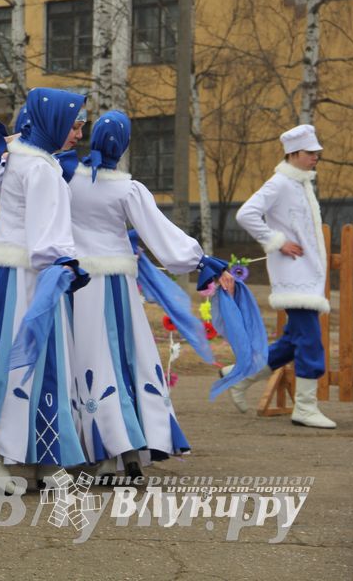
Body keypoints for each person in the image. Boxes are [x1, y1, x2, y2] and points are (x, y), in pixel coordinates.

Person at [67, 110, 234, 481]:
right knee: (124, 357)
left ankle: (93, 443)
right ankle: (123, 449)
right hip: (115, 286)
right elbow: (163, 236)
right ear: (123, 146)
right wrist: (201, 259)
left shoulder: (68, 178)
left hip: (77, 284)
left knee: (87, 357)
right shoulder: (128, 189)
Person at [0, 88, 90, 495]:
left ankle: (42, 457)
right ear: (51, 123)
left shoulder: (25, 158)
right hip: (30, 278)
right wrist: (67, 265)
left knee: (14, 359)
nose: (78, 134)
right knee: (25, 362)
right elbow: (48, 237)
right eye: (73, 125)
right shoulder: (41, 168)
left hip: (9, 275)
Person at [232, 124, 335, 428]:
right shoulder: (279, 182)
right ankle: (304, 408)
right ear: (293, 154)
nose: (315, 158)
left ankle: (238, 377)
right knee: (311, 342)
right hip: (293, 276)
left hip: (304, 275)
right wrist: (276, 241)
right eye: (310, 153)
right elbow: (246, 213)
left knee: (292, 342)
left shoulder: (300, 183)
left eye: (317, 153)